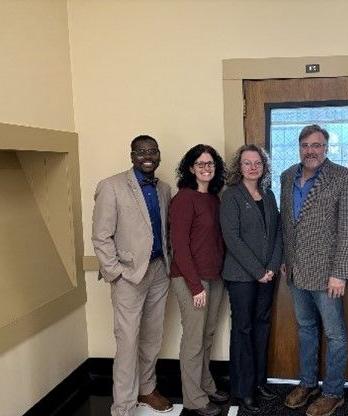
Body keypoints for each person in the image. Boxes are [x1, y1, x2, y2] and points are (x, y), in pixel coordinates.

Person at [281, 124, 348, 416]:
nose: (311, 151)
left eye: (317, 145)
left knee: (336, 334)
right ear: (299, 148)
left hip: (329, 274)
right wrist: (284, 258)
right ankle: (307, 382)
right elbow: (287, 222)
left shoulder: (344, 178)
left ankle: (333, 392)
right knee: (305, 329)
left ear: (325, 148)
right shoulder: (287, 175)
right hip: (296, 271)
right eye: (305, 145)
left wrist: (340, 271)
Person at [92, 135, 173, 416]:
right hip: (127, 276)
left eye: (152, 151)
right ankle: (123, 406)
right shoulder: (111, 186)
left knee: (152, 337)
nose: (147, 156)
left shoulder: (164, 189)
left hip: (159, 271)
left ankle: (147, 389)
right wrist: (115, 273)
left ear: (159, 154)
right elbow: (101, 236)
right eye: (141, 152)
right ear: (132, 155)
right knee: (127, 342)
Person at [220, 144, 283, 412]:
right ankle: (242, 389)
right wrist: (258, 271)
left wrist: (271, 266)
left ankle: (258, 382)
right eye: (247, 163)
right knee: (243, 329)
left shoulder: (268, 195)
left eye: (257, 162)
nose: (253, 167)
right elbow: (232, 239)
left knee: (262, 326)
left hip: (268, 275)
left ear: (264, 166)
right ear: (239, 167)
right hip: (241, 277)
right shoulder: (231, 196)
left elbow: (278, 233)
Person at [169, 144, 229, 416]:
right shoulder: (184, 199)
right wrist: (195, 286)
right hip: (190, 279)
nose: (207, 168)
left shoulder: (215, 199)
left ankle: (206, 385)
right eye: (201, 164)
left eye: (211, 164)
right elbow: (179, 246)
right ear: (191, 168)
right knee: (193, 340)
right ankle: (194, 399)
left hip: (214, 277)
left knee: (207, 336)